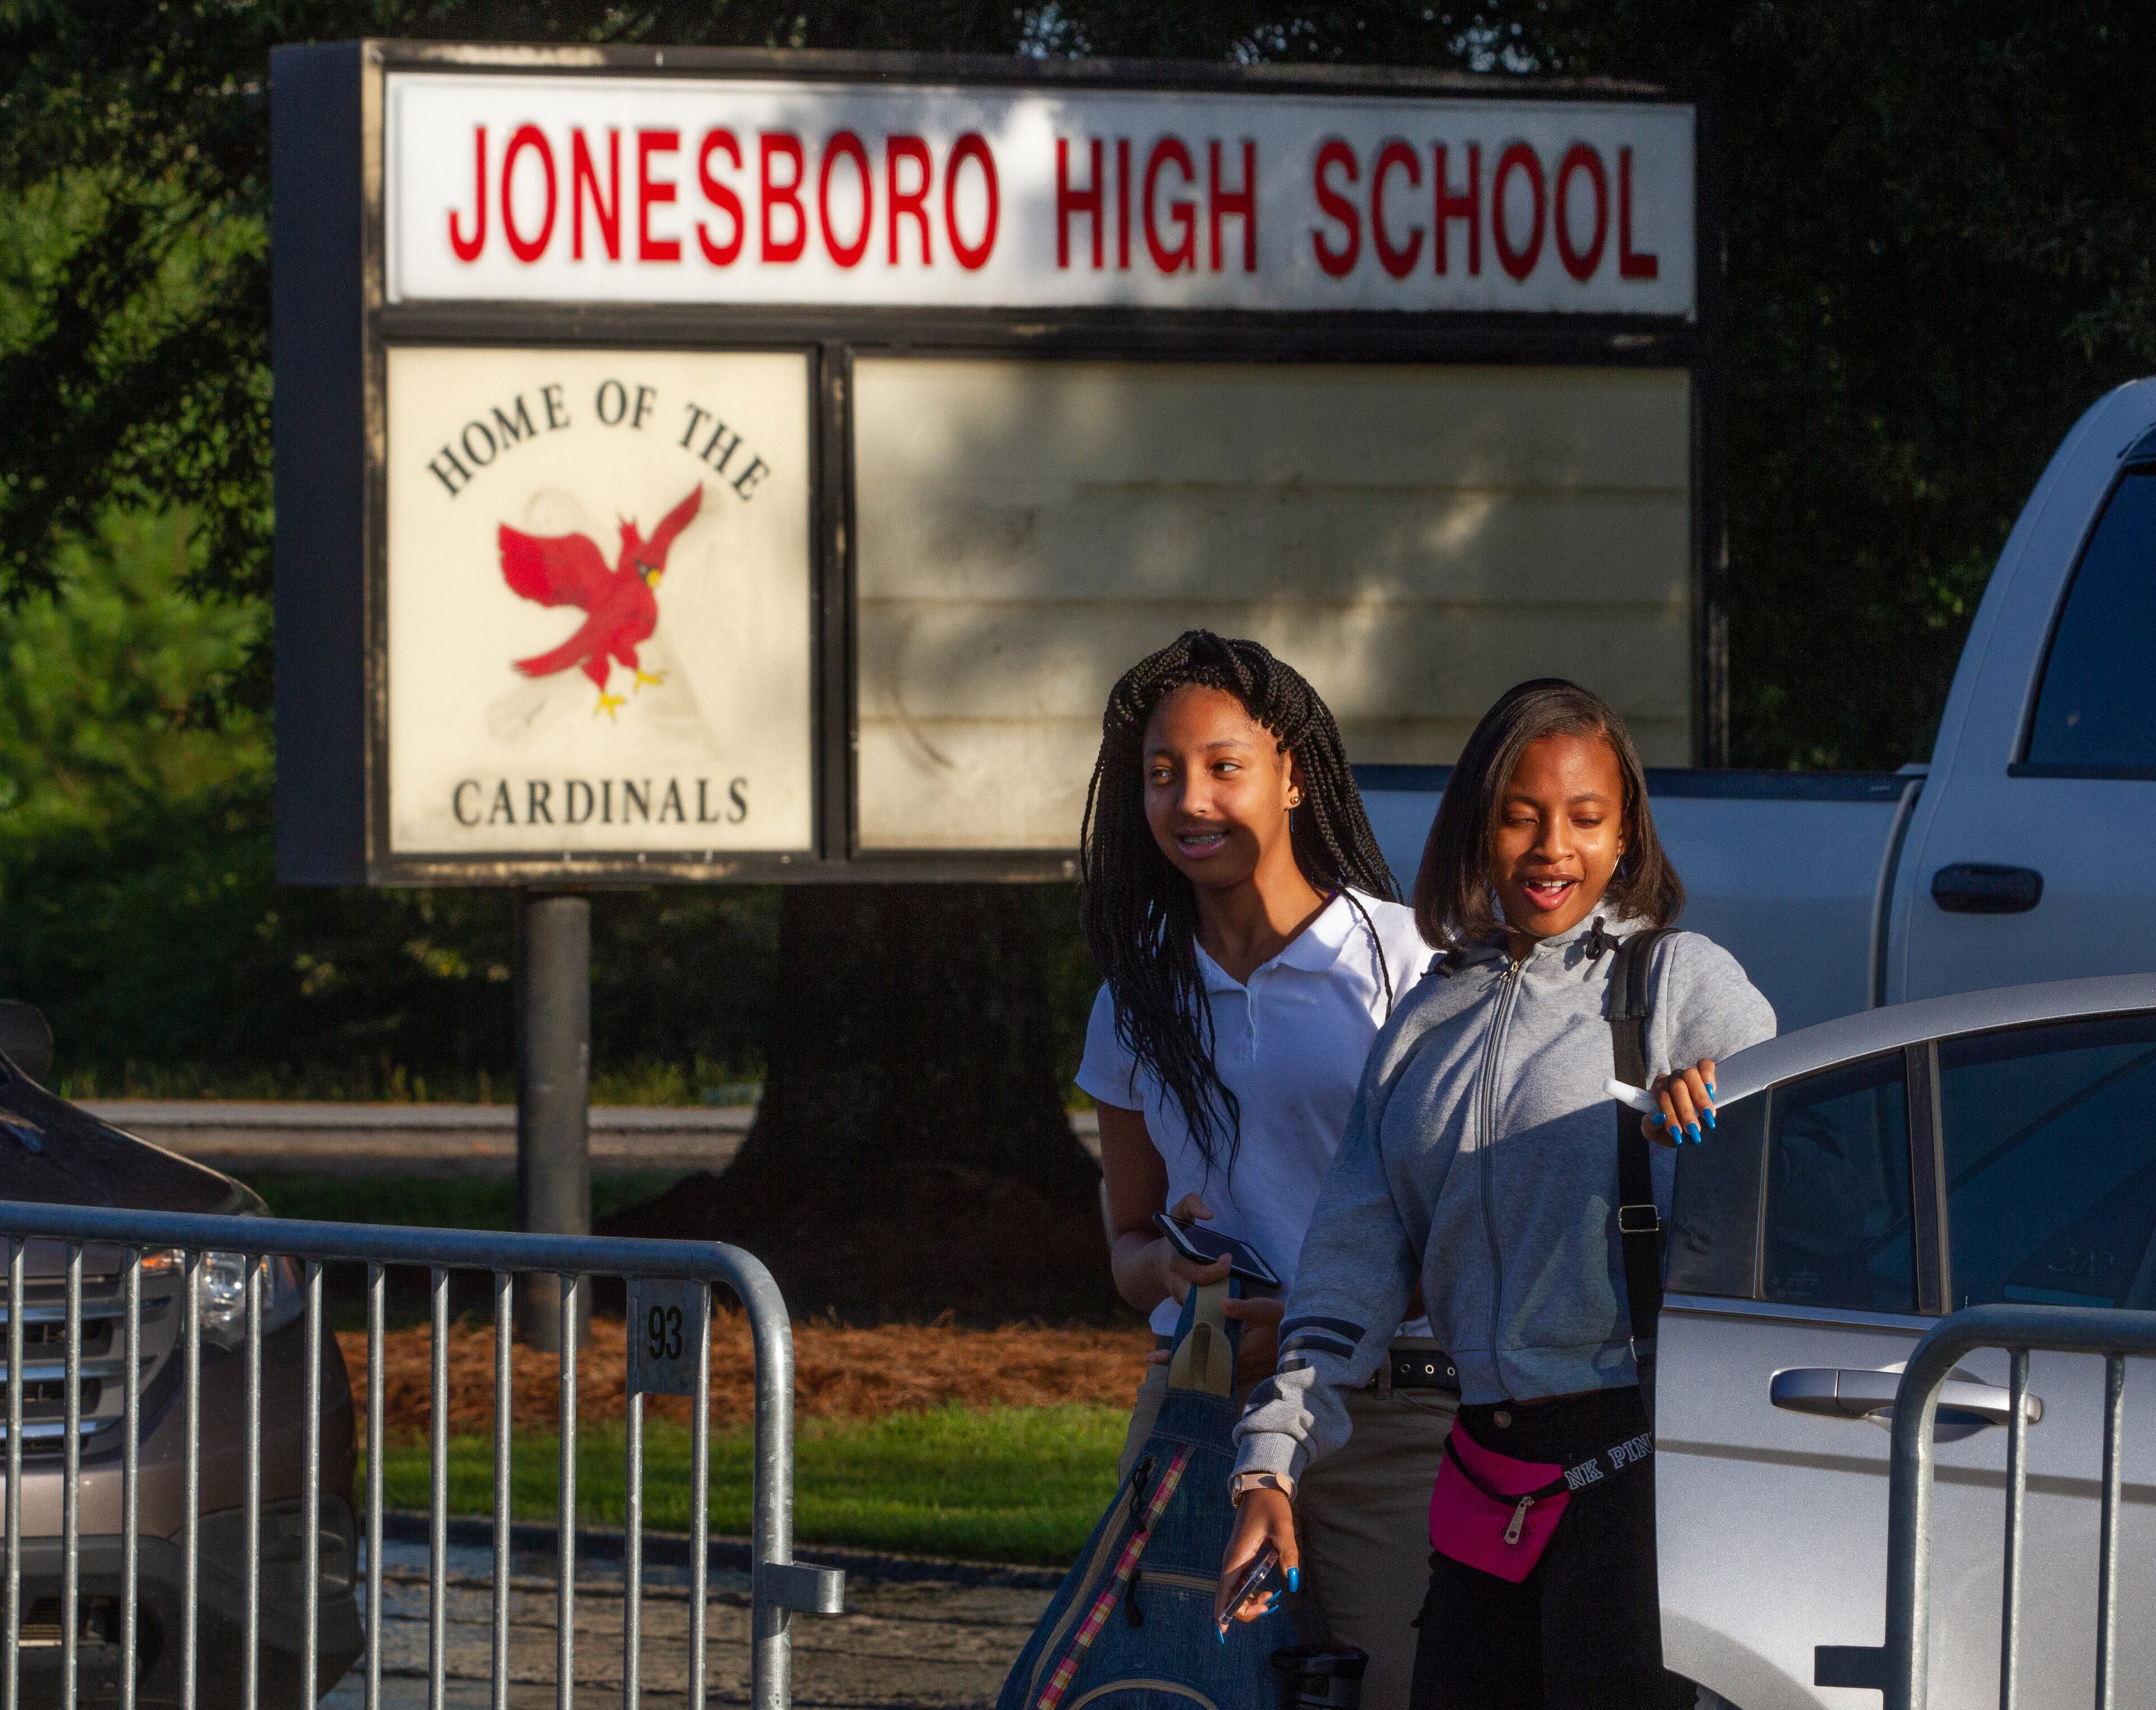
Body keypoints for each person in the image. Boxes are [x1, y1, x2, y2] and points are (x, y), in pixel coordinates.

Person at [1221, 678, 1777, 1710]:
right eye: (1521, 815)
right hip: (1476, 1470)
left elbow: (1791, 1202)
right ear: (1478, 825)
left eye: (1584, 818)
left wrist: (1718, 1118)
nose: (1551, 848)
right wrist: (1270, 1465)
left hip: (1636, 1470)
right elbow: (1347, 1267)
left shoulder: (1678, 983)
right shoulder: (1426, 1020)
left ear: (1626, 836)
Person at [1077, 630, 1452, 1709]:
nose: (1190, 800)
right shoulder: (1133, 999)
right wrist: (1173, 1277)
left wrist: (1317, 1316)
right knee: (1178, 1688)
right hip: (1198, 1401)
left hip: (1384, 1414)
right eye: (1161, 774)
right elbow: (1129, 1245)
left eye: (1222, 766)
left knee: (1396, 1690)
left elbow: (1455, 1226)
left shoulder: (1409, 966)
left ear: (1293, 773)